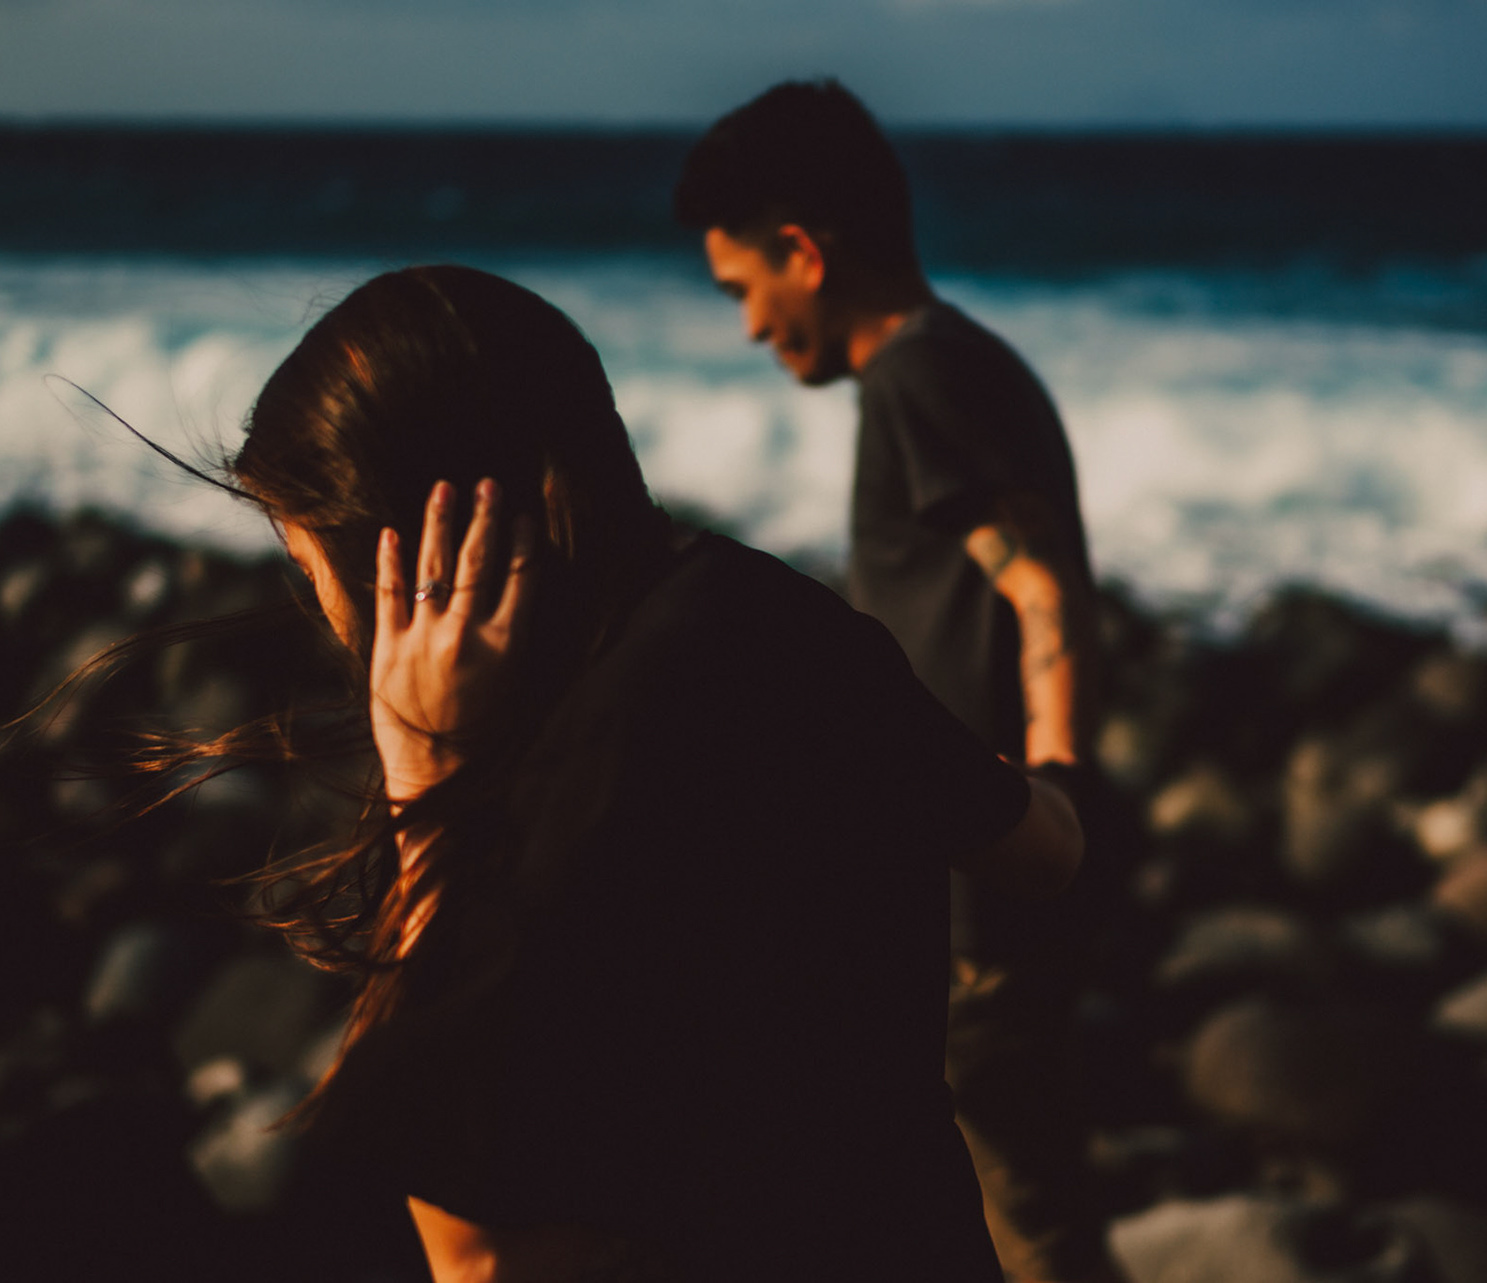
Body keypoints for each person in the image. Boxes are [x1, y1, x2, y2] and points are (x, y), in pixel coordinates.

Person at [210, 264, 1086, 1282]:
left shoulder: (567, 770)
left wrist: (423, 781)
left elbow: (476, 1250)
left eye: (319, 577)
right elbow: (1045, 849)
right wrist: (1053, 758)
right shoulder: (783, 616)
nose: (329, 620)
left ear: (415, 564)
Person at [674, 81, 1116, 1283]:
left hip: (983, 879)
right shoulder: (955, 363)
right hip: (988, 855)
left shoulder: (922, 373)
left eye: (743, 289)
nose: (752, 328)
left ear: (802, 253)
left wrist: (1057, 785)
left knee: (1024, 1213)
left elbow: (1043, 588)